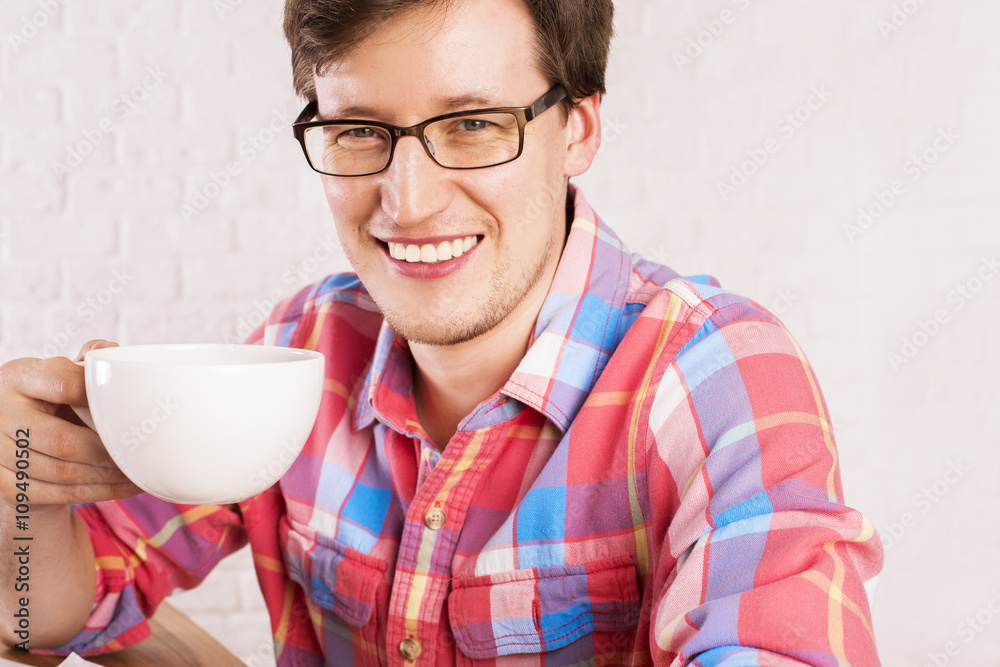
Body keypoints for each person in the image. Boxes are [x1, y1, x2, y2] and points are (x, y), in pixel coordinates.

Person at [0, 0, 884, 664]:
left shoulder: (718, 378)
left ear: (577, 128)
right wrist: (23, 492)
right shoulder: (302, 347)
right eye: (359, 130)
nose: (409, 202)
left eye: (472, 125)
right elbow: (51, 612)